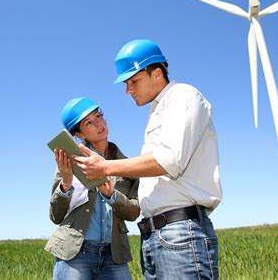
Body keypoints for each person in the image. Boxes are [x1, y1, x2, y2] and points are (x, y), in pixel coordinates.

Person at [74, 39, 223, 279]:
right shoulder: (158, 110)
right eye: (126, 83)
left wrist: (105, 166)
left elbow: (169, 160)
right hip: (156, 236)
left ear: (156, 73)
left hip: (180, 232)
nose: (128, 90)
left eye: (134, 81)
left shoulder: (182, 96)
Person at [44, 96, 140, 280]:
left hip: (114, 254)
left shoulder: (126, 164)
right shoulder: (69, 161)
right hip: (75, 252)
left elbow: (134, 212)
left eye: (98, 116)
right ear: (79, 134)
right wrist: (65, 183)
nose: (98, 124)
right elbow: (55, 216)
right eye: (89, 122)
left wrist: (111, 195)